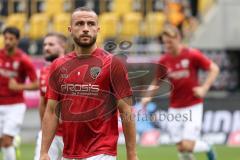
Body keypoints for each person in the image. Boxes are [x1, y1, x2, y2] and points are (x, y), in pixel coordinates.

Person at [40, 7, 138, 160]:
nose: (85, 29)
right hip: (70, 153)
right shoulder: (58, 65)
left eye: (91, 24)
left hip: (102, 151)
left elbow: (126, 110)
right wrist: (44, 151)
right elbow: (51, 111)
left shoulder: (113, 64)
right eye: (79, 24)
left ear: (98, 29)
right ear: (70, 29)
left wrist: (132, 154)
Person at [141, 25, 219, 160]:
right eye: (165, 42)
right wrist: (147, 97)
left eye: (169, 42)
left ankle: (208, 146)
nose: (167, 45)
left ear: (178, 38)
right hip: (175, 107)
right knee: (181, 148)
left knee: (188, 146)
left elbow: (214, 69)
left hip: (193, 106)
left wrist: (204, 88)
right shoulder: (164, 60)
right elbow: (156, 81)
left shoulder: (192, 54)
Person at [0, 26, 38, 160]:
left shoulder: (23, 60)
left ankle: (11, 143)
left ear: (17, 41)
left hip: (15, 105)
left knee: (6, 141)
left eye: (11, 39)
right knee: (3, 143)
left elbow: (37, 84)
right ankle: (14, 146)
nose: (8, 42)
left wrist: (19, 87)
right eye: (6, 38)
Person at [34, 32, 67, 160]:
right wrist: (42, 129)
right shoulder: (43, 71)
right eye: (45, 44)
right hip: (49, 133)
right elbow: (42, 102)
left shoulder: (72, 69)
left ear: (63, 46)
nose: (46, 48)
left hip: (71, 134)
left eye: (51, 44)